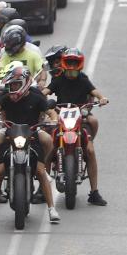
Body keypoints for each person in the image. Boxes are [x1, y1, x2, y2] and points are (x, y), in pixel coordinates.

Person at [0, 63, 59, 224]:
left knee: (41, 169)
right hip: (10, 133)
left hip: (32, 133)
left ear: (24, 83)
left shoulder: (37, 97)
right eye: (11, 85)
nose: (12, 88)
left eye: (15, 84)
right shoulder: (7, 98)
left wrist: (55, 120)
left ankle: (51, 208)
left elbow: (50, 112)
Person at [45, 49, 109, 206]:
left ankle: (94, 192)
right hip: (61, 119)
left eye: (75, 62)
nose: (72, 66)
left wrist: (102, 98)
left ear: (79, 64)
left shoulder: (83, 79)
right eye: (69, 62)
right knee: (48, 147)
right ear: (64, 63)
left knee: (90, 151)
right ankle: (42, 189)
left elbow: (94, 91)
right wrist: (40, 96)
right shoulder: (58, 79)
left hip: (81, 118)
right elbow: (46, 91)